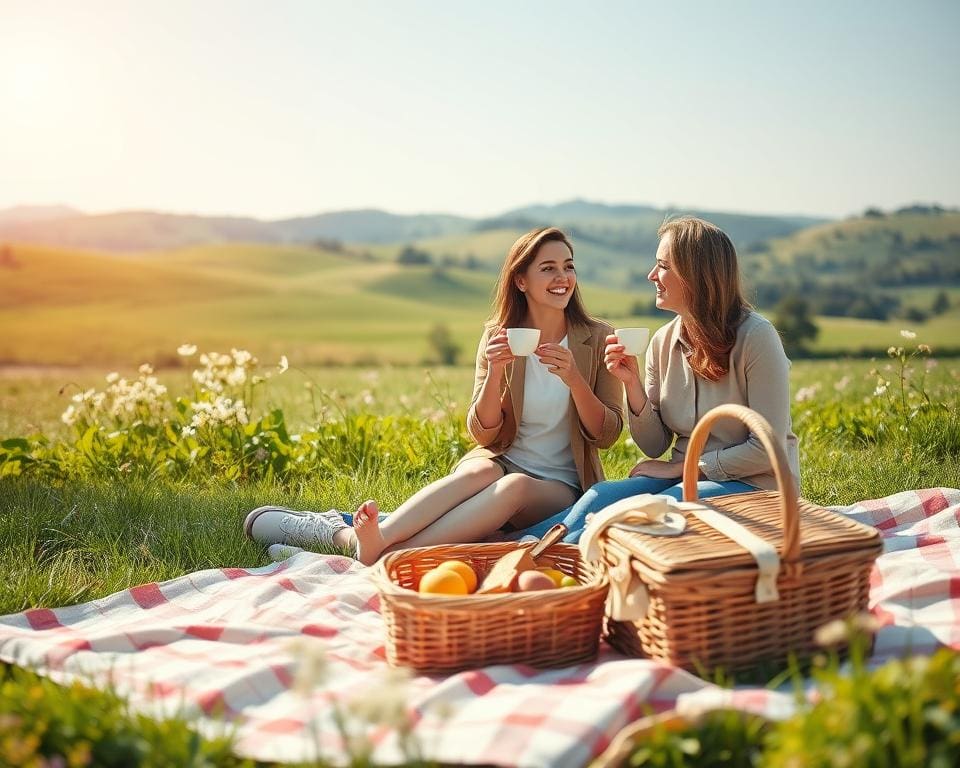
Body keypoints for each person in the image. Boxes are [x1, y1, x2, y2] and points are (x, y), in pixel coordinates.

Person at [244, 227, 624, 564]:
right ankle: (378, 543)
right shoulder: (498, 336)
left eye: (568, 266)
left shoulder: (596, 337)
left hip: (560, 485)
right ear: (521, 281)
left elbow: (606, 435)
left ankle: (377, 551)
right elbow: (484, 436)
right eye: (549, 268)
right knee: (482, 469)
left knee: (515, 485)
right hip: (501, 460)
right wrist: (494, 373)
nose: (563, 277)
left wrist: (575, 379)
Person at [518, 216, 800, 543]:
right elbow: (655, 445)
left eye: (663, 266)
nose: (652, 275)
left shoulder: (756, 337)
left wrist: (681, 468)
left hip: (758, 486)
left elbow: (768, 449)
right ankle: (513, 546)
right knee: (601, 495)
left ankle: (557, 559)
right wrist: (632, 385)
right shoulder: (662, 342)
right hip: (683, 482)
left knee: (646, 512)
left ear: (696, 274)